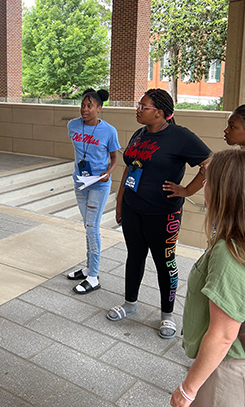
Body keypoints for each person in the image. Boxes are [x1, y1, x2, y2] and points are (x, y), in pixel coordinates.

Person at [170, 149, 245, 406]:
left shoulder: (230, 253)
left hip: (231, 376)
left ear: (225, 191)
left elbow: (223, 335)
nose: (203, 186)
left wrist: (187, 390)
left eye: (208, 181)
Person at [107, 88, 211, 339]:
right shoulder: (139, 134)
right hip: (134, 208)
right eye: (139, 105)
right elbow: (130, 168)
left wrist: (186, 190)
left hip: (163, 214)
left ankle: (167, 314)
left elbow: (209, 164)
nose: (138, 109)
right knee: (135, 256)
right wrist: (120, 201)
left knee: (165, 263)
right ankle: (130, 303)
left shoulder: (180, 137)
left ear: (162, 113)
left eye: (144, 106)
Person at [67, 88, 121, 294]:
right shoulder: (72, 125)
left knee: (92, 226)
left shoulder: (109, 131)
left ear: (99, 108)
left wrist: (108, 172)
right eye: (83, 104)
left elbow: (115, 158)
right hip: (80, 182)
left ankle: (93, 276)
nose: (84, 109)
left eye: (90, 105)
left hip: (99, 183)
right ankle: (89, 268)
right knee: (87, 225)